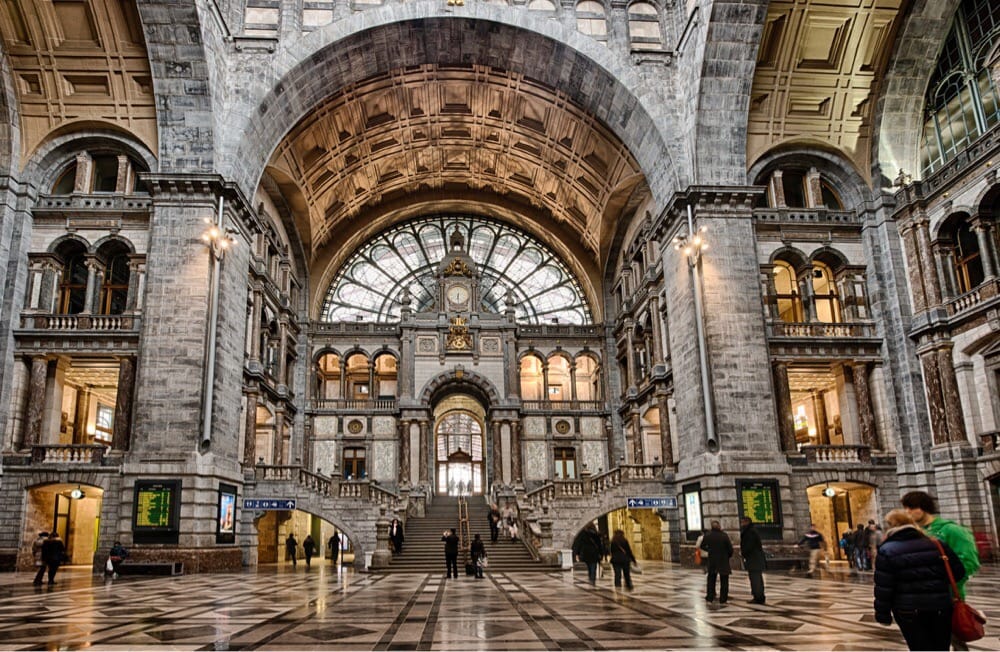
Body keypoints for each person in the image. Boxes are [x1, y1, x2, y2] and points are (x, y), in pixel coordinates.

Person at [874, 509, 965, 651]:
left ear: (890, 526)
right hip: (941, 607)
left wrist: (883, 614)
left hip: (908, 610)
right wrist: (935, 583)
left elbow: (884, 586)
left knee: (918, 647)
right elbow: (958, 573)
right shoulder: (937, 544)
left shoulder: (887, 549)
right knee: (940, 647)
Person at [902, 490, 981, 650]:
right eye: (906, 508)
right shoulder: (914, 533)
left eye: (911, 508)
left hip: (948, 596)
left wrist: (945, 581)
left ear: (923, 507)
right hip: (920, 598)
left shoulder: (951, 530)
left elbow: (969, 562)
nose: (907, 512)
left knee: (956, 640)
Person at [700, 520, 733, 604]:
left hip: (712, 560)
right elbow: (730, 549)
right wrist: (727, 555)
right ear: (719, 526)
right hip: (723, 560)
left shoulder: (708, 535)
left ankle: (710, 597)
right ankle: (723, 598)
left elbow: (702, 546)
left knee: (711, 579)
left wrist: (709, 550)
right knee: (724, 580)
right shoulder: (724, 535)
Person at [739, 517, 766, 604]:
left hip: (753, 559)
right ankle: (759, 596)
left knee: (755, 579)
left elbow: (749, 546)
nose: (741, 524)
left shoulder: (750, 532)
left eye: (742, 522)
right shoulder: (752, 531)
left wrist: (743, 553)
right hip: (756, 559)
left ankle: (758, 597)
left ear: (747, 522)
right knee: (757, 578)